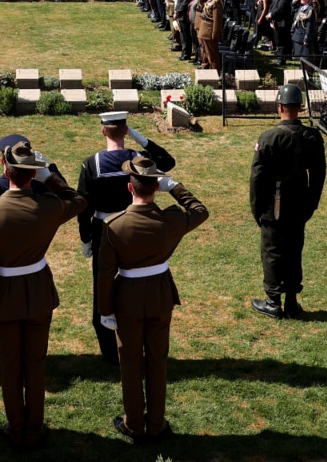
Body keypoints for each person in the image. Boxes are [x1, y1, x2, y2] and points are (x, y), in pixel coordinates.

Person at [0, 141, 87, 451]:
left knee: (11, 365)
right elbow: (78, 199)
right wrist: (49, 175)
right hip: (38, 292)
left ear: (3, 166)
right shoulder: (48, 206)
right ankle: (34, 428)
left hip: (5, 296)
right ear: (32, 175)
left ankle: (16, 427)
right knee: (35, 363)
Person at [97, 157, 208, 442]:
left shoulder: (114, 225)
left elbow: (105, 274)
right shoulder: (171, 220)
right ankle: (156, 423)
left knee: (130, 362)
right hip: (159, 296)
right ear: (156, 187)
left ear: (129, 188)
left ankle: (134, 424)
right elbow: (200, 210)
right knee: (158, 361)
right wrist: (176, 187)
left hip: (128, 301)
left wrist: (105, 310)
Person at [77, 111, 176, 365]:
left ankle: (111, 353)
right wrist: (140, 139)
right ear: (125, 131)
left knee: (104, 286)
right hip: (136, 227)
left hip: (104, 229)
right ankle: (139, 343)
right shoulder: (139, 160)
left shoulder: (91, 163)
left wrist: (86, 237)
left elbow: (84, 206)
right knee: (136, 283)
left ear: (103, 131)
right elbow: (167, 160)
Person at [249, 85, 326, 320]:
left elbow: (257, 177)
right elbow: (319, 175)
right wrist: (311, 204)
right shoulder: (312, 137)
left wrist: (257, 208)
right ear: (300, 108)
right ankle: (291, 300)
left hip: (275, 202)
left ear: (280, 107)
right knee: (294, 250)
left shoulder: (270, 137)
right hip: (300, 200)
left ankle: (273, 301)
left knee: (272, 251)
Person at [198, 0, 225, 72]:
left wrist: (215, 33)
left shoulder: (217, 1)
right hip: (205, 28)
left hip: (209, 30)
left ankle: (215, 72)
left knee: (212, 54)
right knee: (206, 51)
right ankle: (208, 68)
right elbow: (202, 6)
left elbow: (217, 19)